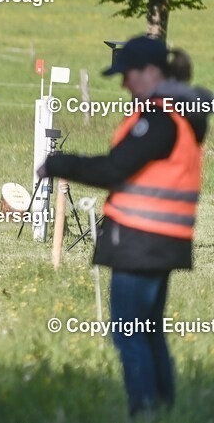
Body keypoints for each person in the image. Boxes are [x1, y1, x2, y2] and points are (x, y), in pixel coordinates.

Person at [38, 35, 212, 418]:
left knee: (128, 332)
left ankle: (144, 410)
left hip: (141, 239)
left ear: (152, 72)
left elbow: (114, 169)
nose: (123, 83)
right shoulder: (179, 117)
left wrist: (59, 163)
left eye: (128, 74)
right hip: (162, 241)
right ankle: (164, 408)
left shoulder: (159, 120)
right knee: (147, 331)